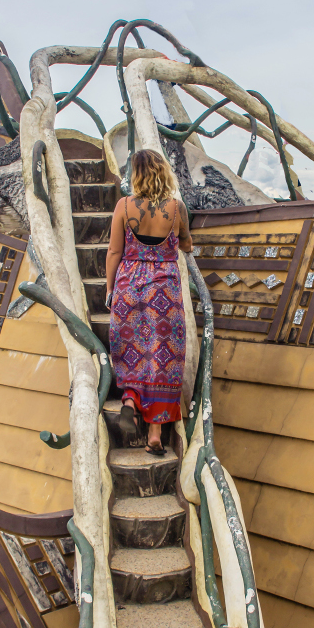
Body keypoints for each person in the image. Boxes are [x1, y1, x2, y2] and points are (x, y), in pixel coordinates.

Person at [105, 148, 192, 455]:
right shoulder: (176, 207)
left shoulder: (124, 205)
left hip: (129, 286)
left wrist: (110, 290)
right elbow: (187, 246)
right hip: (164, 292)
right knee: (163, 357)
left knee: (133, 350)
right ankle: (155, 434)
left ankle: (129, 399)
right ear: (163, 171)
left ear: (136, 174)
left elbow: (114, 251)